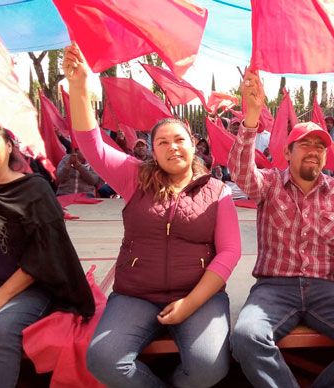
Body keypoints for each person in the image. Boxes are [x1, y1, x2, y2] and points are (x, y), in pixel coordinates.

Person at [63, 43, 242, 388]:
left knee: (209, 368)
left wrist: (190, 303)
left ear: (193, 144)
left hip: (199, 294)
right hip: (136, 295)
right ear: (153, 151)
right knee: (103, 360)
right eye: (162, 142)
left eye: (179, 139)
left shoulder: (217, 191)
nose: (172, 147)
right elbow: (92, 145)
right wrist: (79, 89)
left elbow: (231, 252)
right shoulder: (134, 177)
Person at [228, 70, 334, 388]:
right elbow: (241, 172)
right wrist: (251, 120)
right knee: (246, 337)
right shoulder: (270, 183)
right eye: (304, 145)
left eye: (320, 146)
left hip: (325, 290)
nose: (314, 151)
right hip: (273, 289)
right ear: (287, 153)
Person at [0, 116, 94, 388]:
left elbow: (46, 253)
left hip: (29, 288)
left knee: (0, 333)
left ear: (9, 145)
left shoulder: (34, 189)